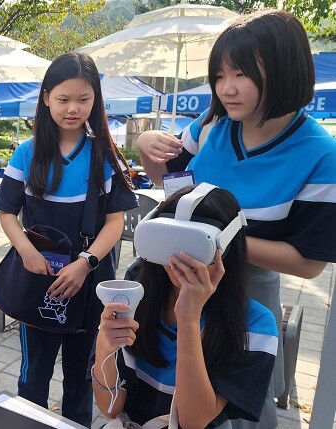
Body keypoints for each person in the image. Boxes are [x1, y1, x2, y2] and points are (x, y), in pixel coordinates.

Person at [135, 10, 336, 428]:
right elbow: (175, 193)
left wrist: (216, 239)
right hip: (176, 285)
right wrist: (145, 150)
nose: (226, 88)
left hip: (246, 300)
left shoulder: (320, 154)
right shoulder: (211, 127)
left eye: (241, 73)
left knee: (239, 410)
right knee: (167, 392)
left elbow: (309, 262)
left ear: (284, 70)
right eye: (219, 74)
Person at [0, 52, 137, 427]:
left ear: (96, 101)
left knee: (82, 375)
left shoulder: (104, 157)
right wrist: (25, 250)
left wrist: (85, 263)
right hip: (39, 279)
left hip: (90, 281)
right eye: (63, 99)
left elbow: (115, 221)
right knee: (33, 374)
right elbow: (7, 212)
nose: (73, 109)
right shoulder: (27, 153)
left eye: (83, 100)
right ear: (45, 97)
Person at [94, 185, 278, 429]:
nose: (182, 260)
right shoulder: (137, 300)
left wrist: (189, 318)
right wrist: (104, 346)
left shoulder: (254, 324)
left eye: (198, 247)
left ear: (226, 248)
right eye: (170, 242)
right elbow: (109, 408)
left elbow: (193, 422)